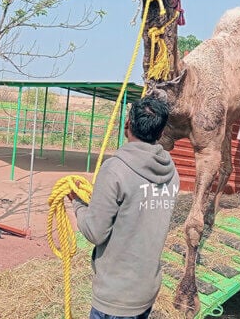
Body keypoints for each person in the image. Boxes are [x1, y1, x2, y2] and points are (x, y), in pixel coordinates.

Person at [72, 95, 180, 319]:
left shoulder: (115, 169)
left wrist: (78, 204)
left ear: (127, 124)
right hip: (146, 290)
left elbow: (95, 231)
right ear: (161, 133)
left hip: (115, 297)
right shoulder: (172, 174)